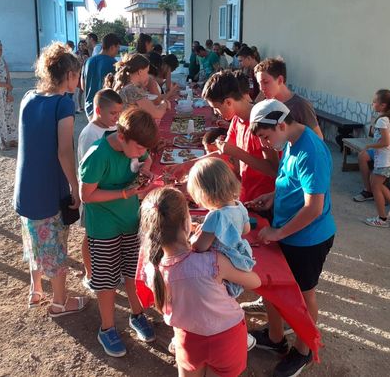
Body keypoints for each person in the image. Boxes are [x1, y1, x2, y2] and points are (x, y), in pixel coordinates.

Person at [246, 99, 336, 377]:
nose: (265, 143)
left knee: (303, 296)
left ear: (281, 125)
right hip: (289, 232)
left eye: (266, 136)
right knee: (274, 288)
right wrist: (273, 196)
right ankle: (276, 338)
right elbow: (293, 182)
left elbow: (314, 207)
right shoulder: (289, 141)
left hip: (308, 240)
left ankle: (303, 350)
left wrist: (278, 232)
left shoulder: (310, 151)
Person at [140, 186, 261, 376]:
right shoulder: (213, 262)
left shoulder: (151, 268)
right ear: (186, 223)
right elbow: (255, 282)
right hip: (227, 339)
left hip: (187, 340)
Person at [13, 42, 89, 314]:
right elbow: (64, 151)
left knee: (33, 238)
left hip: (26, 186)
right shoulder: (63, 104)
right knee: (55, 243)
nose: (78, 82)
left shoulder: (29, 97)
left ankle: (36, 290)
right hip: (49, 188)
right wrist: (75, 187)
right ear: (69, 75)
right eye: (77, 76)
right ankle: (59, 302)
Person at [79, 107, 158, 357]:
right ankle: (107, 328)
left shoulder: (134, 147)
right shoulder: (98, 155)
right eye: (139, 148)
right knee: (106, 280)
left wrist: (145, 169)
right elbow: (86, 195)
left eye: (145, 148)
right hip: (103, 227)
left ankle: (137, 314)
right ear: (122, 136)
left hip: (130, 221)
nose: (142, 153)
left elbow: (146, 159)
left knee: (133, 273)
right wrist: (124, 193)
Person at [202, 70, 279, 204]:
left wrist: (236, 153)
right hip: (247, 195)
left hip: (265, 201)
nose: (216, 112)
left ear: (228, 102)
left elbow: (273, 170)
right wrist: (187, 166)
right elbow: (224, 153)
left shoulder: (261, 123)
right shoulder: (237, 119)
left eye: (216, 108)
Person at [187, 157, 255, 297]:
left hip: (219, 266)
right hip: (236, 260)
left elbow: (200, 247)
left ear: (205, 193)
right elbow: (245, 230)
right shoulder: (239, 206)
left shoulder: (216, 215)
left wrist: (193, 238)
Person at [77, 88, 123, 286]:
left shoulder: (112, 127)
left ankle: (112, 269)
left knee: (111, 233)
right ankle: (90, 274)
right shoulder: (90, 134)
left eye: (119, 113)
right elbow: (88, 170)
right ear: (98, 110)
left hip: (109, 191)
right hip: (94, 194)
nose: (117, 117)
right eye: (113, 113)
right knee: (91, 235)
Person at [358, 90, 390, 227]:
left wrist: (369, 146)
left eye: (374, 102)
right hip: (387, 158)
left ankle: (382, 219)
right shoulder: (386, 118)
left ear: (383, 105)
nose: (372, 104)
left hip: (386, 160)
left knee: (375, 187)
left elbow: (385, 142)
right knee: (377, 183)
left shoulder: (383, 120)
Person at [255, 57, 323, 139]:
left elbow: (318, 138)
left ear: (280, 80)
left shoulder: (300, 105)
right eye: (259, 84)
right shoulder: (266, 105)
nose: (261, 88)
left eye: (265, 82)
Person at [113, 53, 168, 120]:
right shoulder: (132, 90)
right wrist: (165, 104)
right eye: (147, 71)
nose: (148, 75)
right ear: (140, 72)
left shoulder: (124, 85)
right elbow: (157, 114)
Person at [82, 33, 120, 119]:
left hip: (89, 107)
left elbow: (83, 85)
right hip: (106, 108)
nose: (117, 52)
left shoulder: (88, 61)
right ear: (112, 47)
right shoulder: (114, 64)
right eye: (117, 49)